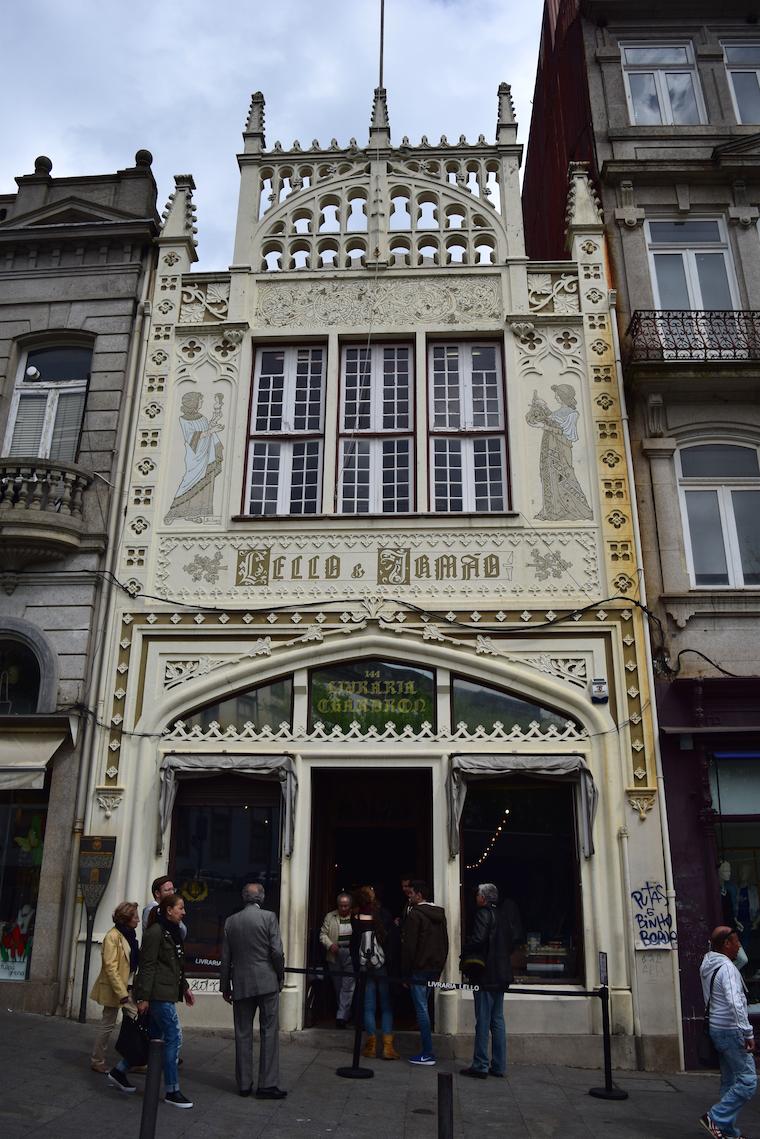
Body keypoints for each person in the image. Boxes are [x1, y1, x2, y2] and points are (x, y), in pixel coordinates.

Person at [220, 882, 287, 1100]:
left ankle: (244, 1084)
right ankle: (267, 1084)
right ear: (261, 898)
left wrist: (224, 986)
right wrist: (280, 974)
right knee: (269, 1032)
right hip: (266, 981)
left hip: (241, 982)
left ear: (244, 897)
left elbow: (225, 958)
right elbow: (276, 952)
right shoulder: (269, 918)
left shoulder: (231, 921)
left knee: (242, 1033)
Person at [134, 893, 195, 1109]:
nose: (184, 912)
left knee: (153, 1036)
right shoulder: (156, 932)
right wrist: (142, 997)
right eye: (180, 908)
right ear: (169, 910)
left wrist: (184, 987)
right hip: (159, 994)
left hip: (167, 991)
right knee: (174, 1037)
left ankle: (119, 1070)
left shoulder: (174, 932)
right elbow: (147, 966)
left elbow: (176, 965)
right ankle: (172, 1090)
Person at [698, 925, 757, 1139]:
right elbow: (735, 1003)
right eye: (736, 941)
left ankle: (727, 1131)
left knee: (730, 1081)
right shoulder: (727, 969)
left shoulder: (708, 963)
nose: (739, 945)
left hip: (716, 1028)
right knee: (748, 1081)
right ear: (726, 944)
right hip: (731, 1029)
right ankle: (715, 1117)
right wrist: (748, 1033)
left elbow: (741, 960)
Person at [460, 883, 513, 1079]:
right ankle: (499, 1065)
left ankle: (480, 1064)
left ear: (483, 898)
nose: (476, 898)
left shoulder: (483, 913)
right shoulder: (502, 915)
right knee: (498, 1020)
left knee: (483, 1019)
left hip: (486, 974)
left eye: (478, 895)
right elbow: (512, 940)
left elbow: (479, 939)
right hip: (502, 973)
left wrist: (466, 947)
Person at [526, 384, 593, 521]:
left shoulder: (572, 414)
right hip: (548, 449)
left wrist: (544, 426)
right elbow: (551, 419)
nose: (555, 396)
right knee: (549, 476)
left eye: (557, 394)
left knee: (564, 476)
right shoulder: (557, 413)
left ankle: (574, 509)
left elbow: (565, 434)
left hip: (560, 451)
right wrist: (541, 406)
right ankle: (552, 510)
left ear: (563, 396)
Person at [89, 900, 140, 1080]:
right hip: (116, 988)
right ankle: (97, 1060)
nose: (138, 920)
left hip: (129, 987)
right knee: (107, 1024)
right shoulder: (112, 936)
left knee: (135, 1019)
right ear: (126, 918)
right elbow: (110, 967)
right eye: (135, 917)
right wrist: (123, 993)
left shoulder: (130, 936)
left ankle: (133, 1059)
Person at [401, 879, 448, 1066]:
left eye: (411, 893)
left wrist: (405, 973)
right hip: (434, 968)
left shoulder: (415, 915)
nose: (409, 896)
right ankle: (427, 1051)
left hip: (419, 969)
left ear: (419, 895)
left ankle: (428, 1052)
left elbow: (409, 947)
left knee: (421, 1009)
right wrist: (440, 966)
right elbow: (445, 942)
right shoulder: (440, 914)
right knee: (424, 1007)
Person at [351, 885, 399, 1061]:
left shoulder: (355, 917)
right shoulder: (383, 915)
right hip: (382, 965)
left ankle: (370, 1046)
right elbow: (391, 941)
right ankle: (387, 1047)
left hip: (365, 967)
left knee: (368, 1005)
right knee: (386, 1005)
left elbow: (353, 944)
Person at [164, 390, 224, 524]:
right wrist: (211, 431)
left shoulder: (201, 417)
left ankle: (193, 513)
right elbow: (192, 438)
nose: (202, 402)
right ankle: (173, 512)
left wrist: (215, 420)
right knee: (188, 482)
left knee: (204, 483)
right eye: (200, 400)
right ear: (193, 403)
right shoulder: (183, 420)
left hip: (207, 455)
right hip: (195, 456)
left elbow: (205, 428)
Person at [319, 892, 355, 1027]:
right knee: (338, 986)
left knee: (348, 987)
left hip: (350, 954)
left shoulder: (355, 917)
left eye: (346, 906)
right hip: (334, 954)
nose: (343, 908)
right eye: (341, 906)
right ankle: (346, 1013)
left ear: (350, 906)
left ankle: (341, 1017)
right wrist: (330, 945)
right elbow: (322, 934)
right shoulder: (330, 916)